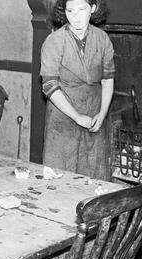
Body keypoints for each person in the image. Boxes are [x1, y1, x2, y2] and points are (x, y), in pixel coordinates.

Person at [40, 0, 114, 181]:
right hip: (62, 118)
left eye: (82, 9)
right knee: (59, 178)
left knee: (94, 177)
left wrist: (102, 114)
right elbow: (49, 86)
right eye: (70, 10)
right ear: (64, 12)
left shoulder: (102, 38)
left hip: (95, 114)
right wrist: (76, 116)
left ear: (93, 9)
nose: (76, 16)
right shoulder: (54, 41)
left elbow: (107, 80)